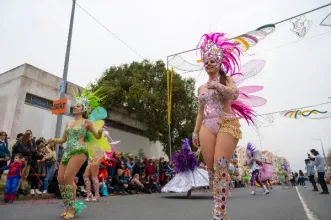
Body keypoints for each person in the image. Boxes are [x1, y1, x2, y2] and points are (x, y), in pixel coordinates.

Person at [192, 33, 266, 220]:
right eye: (206, 61)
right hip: (206, 126)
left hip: (226, 123)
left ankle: (219, 213)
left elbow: (234, 94)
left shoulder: (227, 80)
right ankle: (219, 209)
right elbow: (200, 112)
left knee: (220, 165)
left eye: (213, 60)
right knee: (211, 170)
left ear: (220, 62)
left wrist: (219, 87)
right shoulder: (201, 88)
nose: (209, 63)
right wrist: (195, 131)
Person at [48, 88, 109, 219]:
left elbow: (97, 136)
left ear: (83, 109)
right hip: (68, 151)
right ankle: (67, 206)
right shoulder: (69, 122)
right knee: (60, 179)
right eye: (75, 106)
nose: (75, 107)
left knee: (68, 178)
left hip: (79, 151)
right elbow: (63, 139)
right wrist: (54, 140)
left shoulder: (87, 122)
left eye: (79, 106)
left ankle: (72, 208)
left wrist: (99, 133)